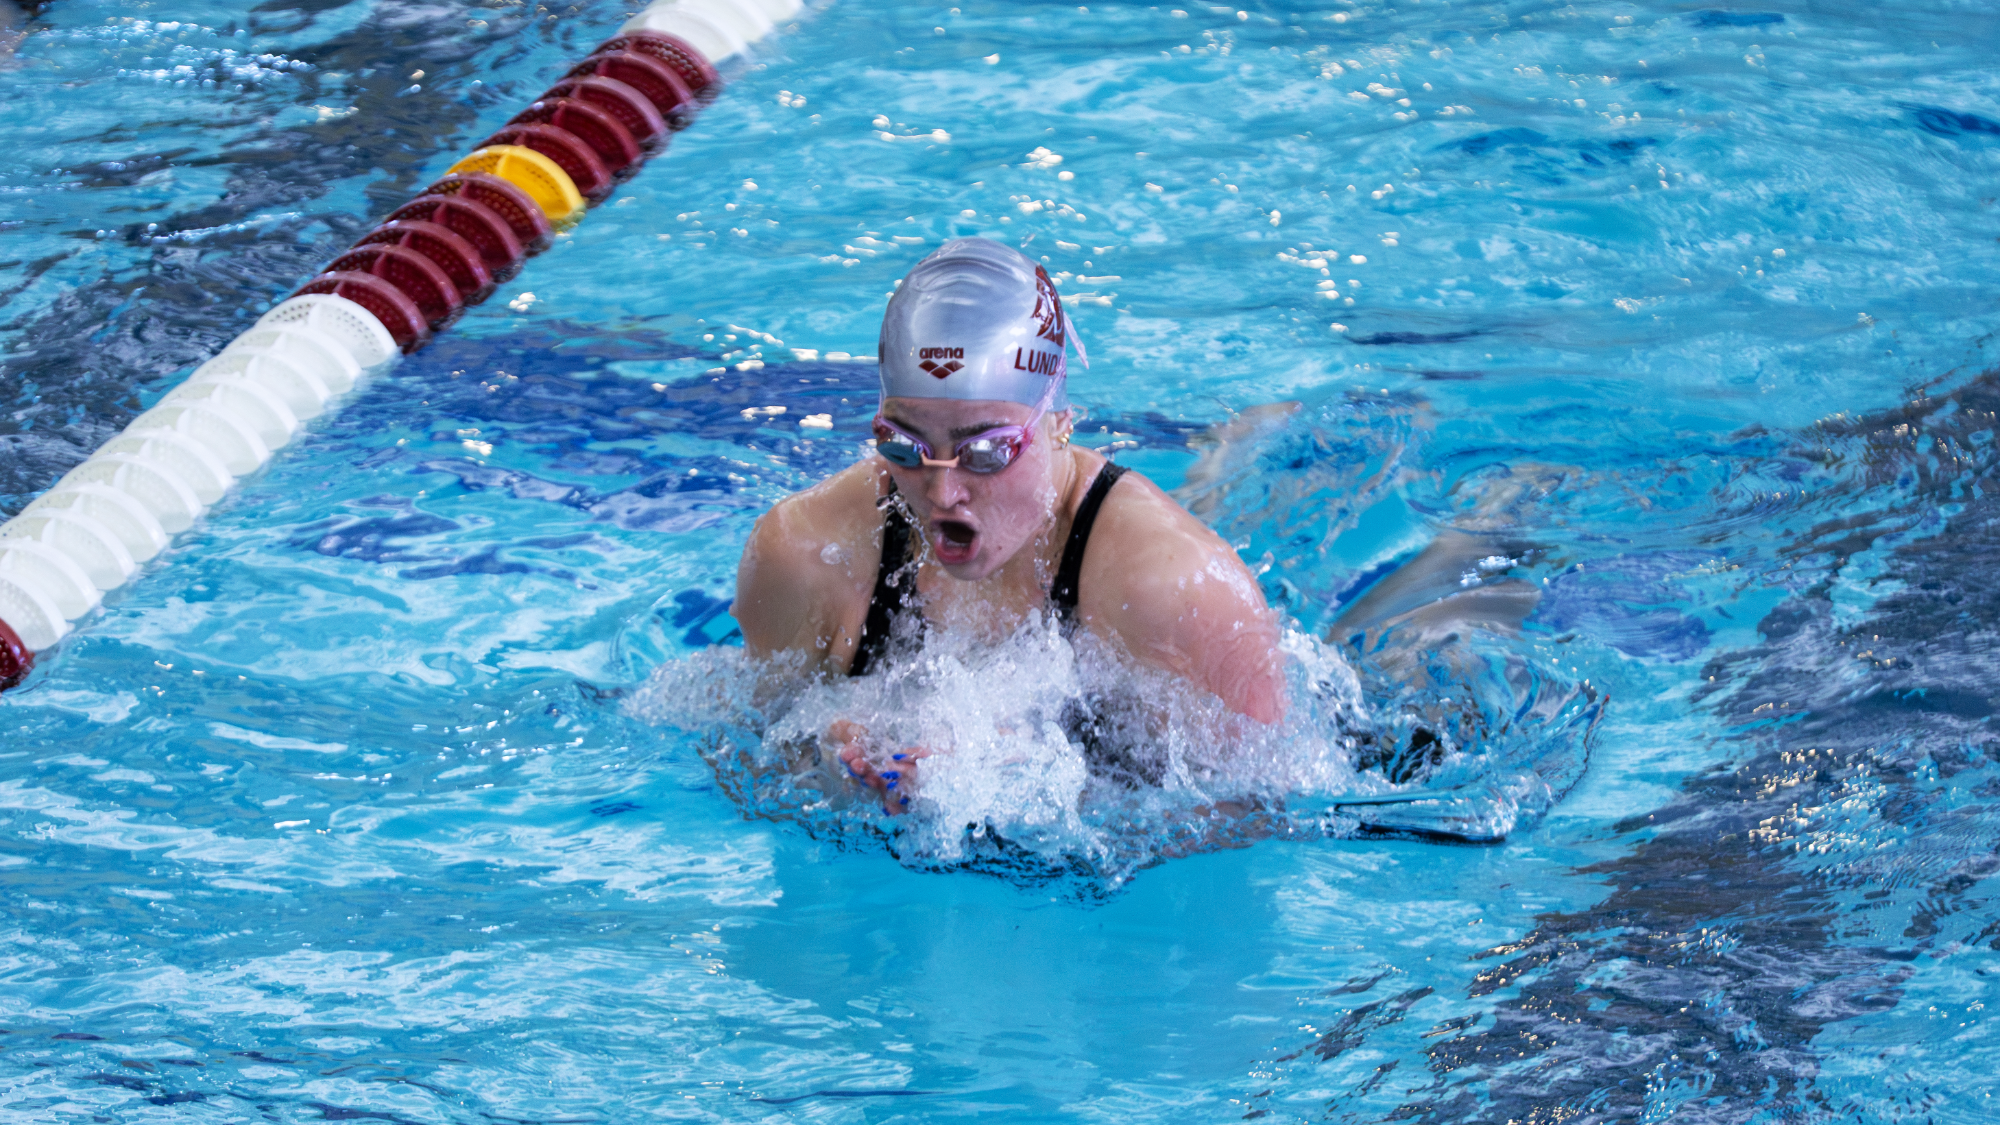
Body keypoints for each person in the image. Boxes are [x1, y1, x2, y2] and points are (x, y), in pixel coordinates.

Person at [733, 238, 1286, 813]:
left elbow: (1264, 817)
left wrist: (1045, 796)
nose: (942, 493)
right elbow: (739, 750)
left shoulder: (1177, 591)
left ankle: (1229, 457)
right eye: (904, 446)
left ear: (1061, 422)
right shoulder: (804, 554)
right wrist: (813, 768)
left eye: (988, 451)